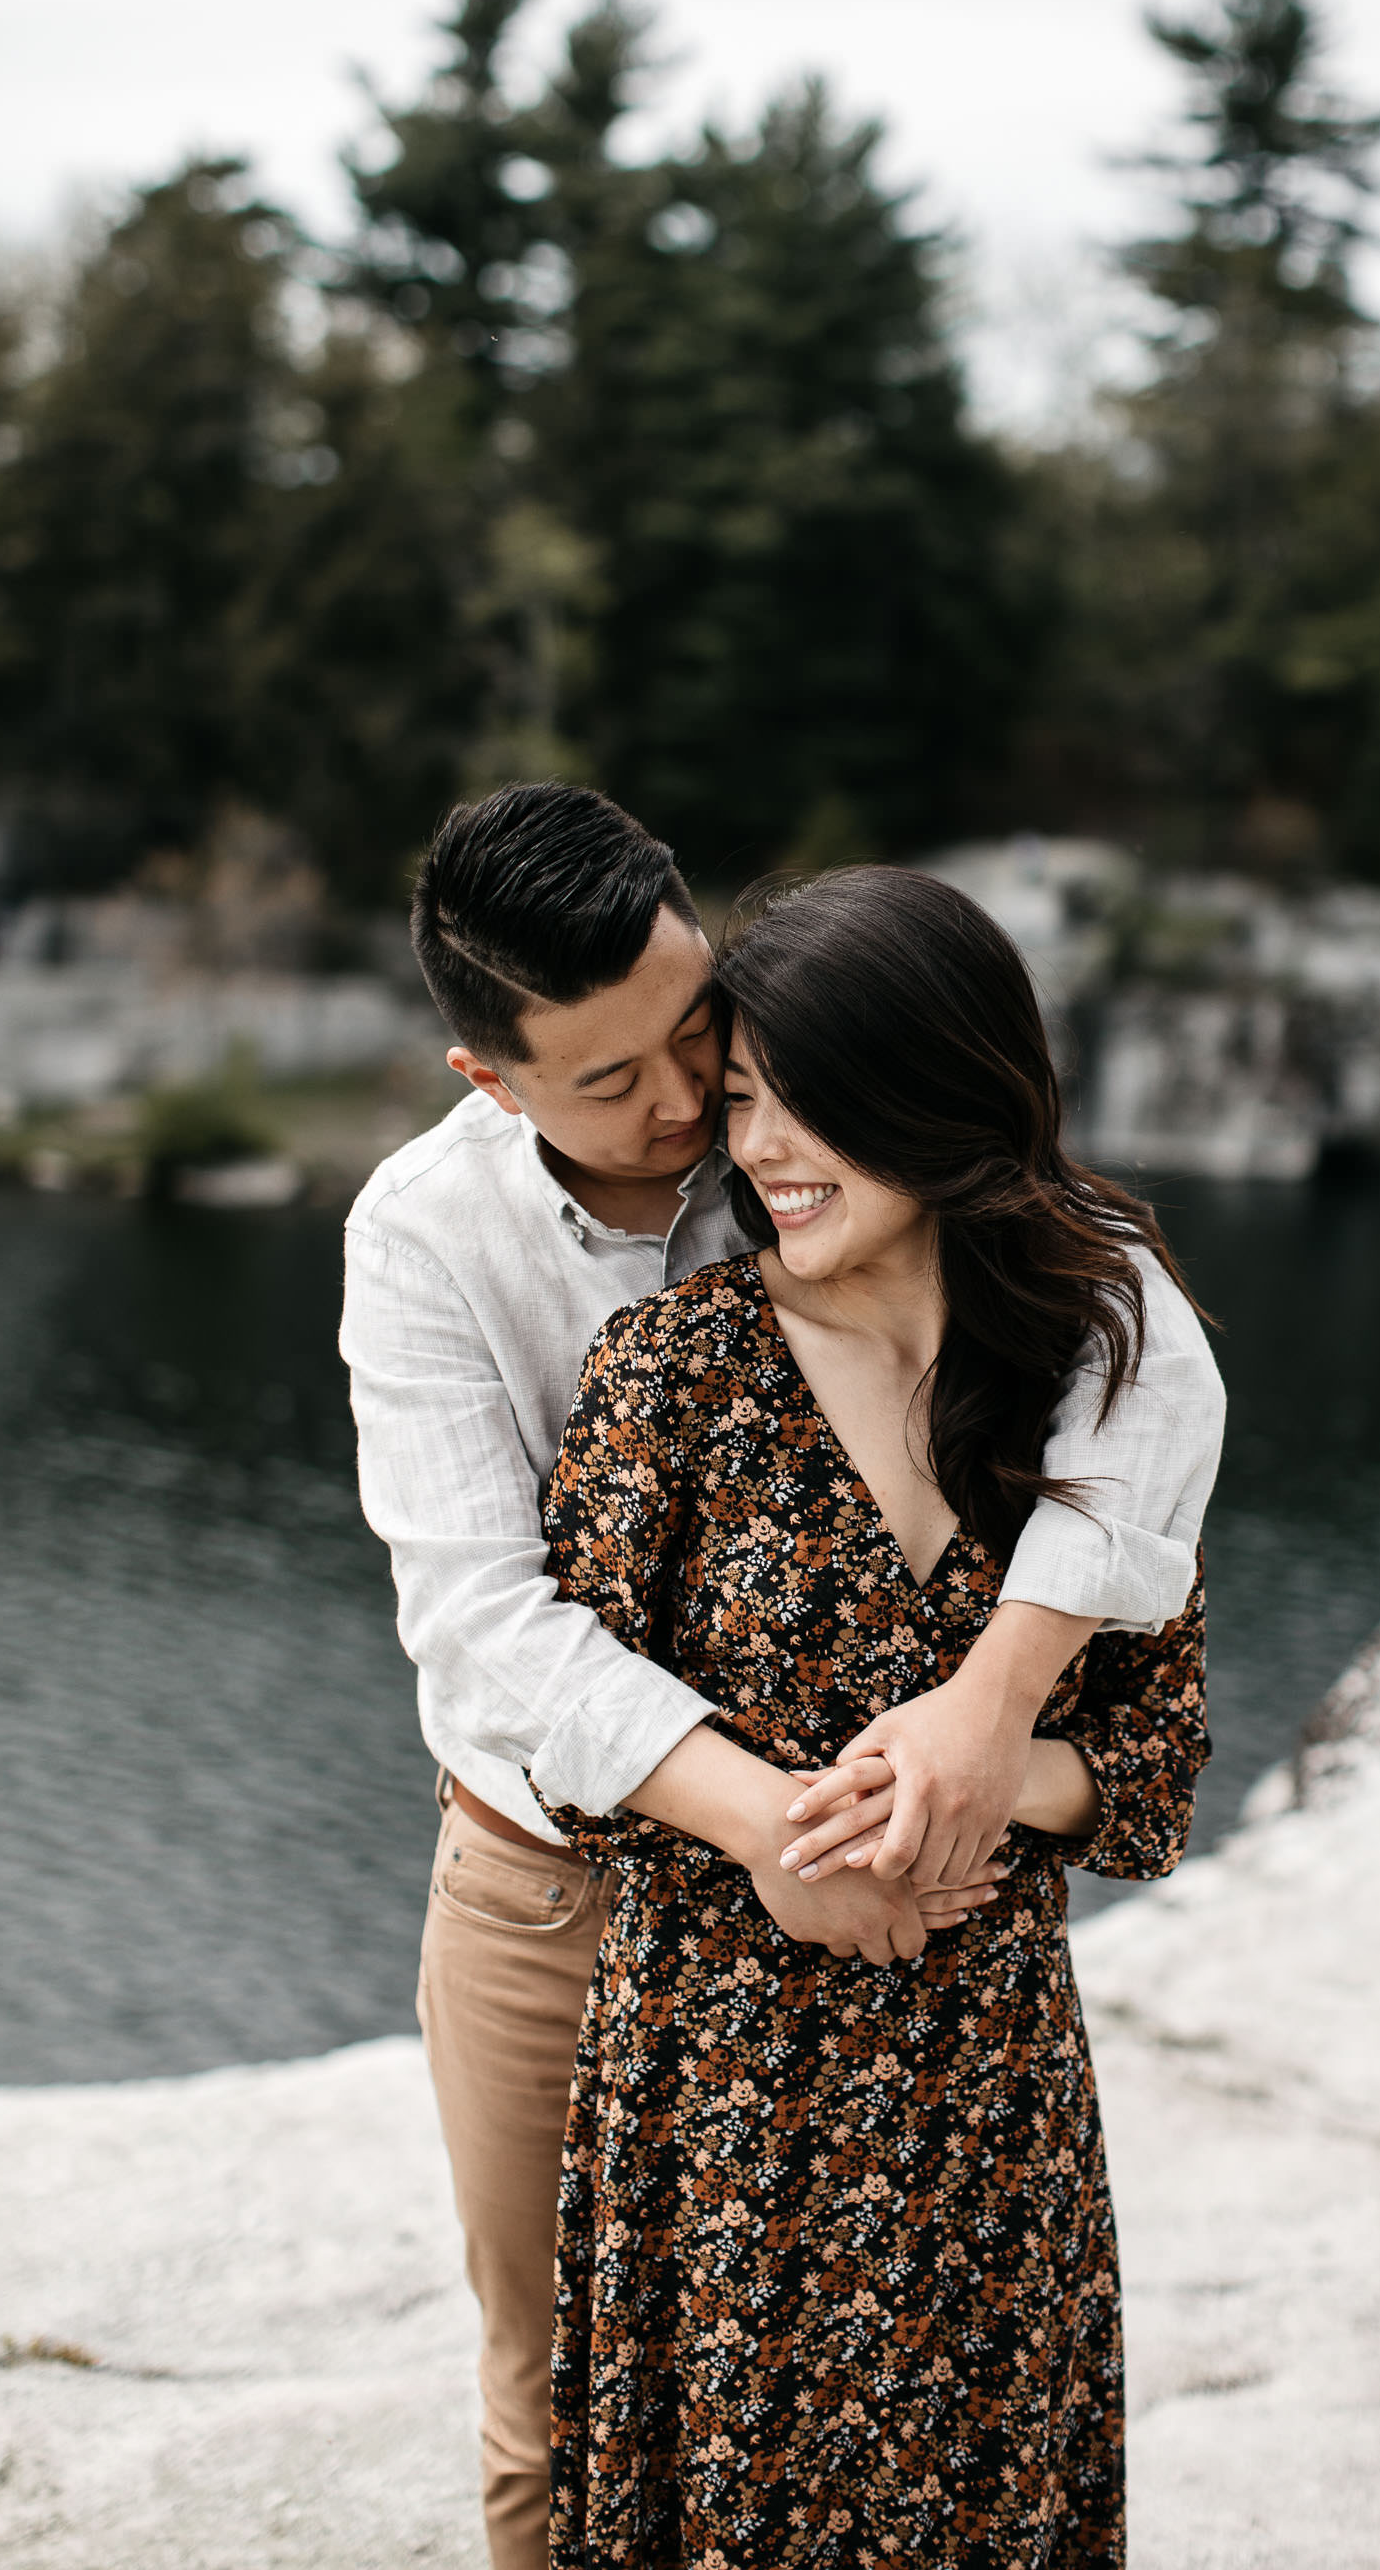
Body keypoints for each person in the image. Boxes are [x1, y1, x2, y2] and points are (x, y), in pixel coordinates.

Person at [340, 786, 1224, 2570]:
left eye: (704, 1039)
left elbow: (1146, 1409)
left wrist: (985, 1730)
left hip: (955, 1989)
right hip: (569, 1897)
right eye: (616, 1082)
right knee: (576, 2406)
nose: (695, 1111)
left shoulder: (995, 1277)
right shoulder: (442, 1244)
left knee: (980, 2440)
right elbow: (494, 1627)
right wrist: (788, 1836)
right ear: (490, 1079)